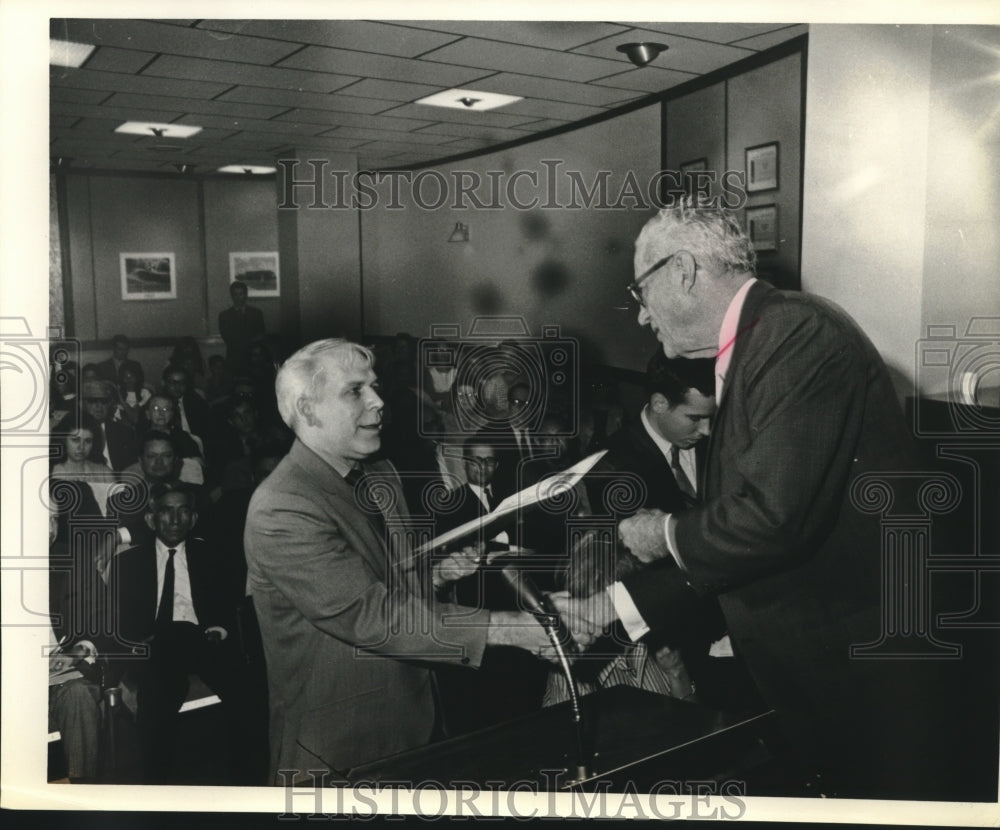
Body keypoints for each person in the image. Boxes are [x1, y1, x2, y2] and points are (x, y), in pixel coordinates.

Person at [552, 204, 949, 799]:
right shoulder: (762, 343)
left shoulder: (796, 334)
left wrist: (659, 533)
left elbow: (767, 522)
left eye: (640, 291)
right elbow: (736, 542)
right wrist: (611, 607)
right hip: (826, 665)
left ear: (683, 269)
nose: (640, 315)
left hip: (857, 670)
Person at [243, 338, 590, 784]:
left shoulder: (379, 473)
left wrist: (438, 574)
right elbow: (371, 615)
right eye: (356, 391)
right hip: (341, 750)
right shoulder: (282, 506)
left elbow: (392, 583)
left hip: (417, 721)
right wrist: (516, 628)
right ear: (309, 411)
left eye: (375, 386)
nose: (379, 401)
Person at [104, 482, 245, 783]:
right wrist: (134, 643)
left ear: (194, 519)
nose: (175, 519)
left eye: (184, 511)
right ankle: (159, 785)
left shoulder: (213, 554)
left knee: (245, 691)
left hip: (205, 639)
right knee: (156, 700)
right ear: (151, 519)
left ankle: (245, 781)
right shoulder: (126, 564)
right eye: (166, 512)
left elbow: (228, 606)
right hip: (155, 644)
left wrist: (220, 629)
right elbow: (120, 620)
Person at [81, 379, 139, 472]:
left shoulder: (125, 432)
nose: (99, 406)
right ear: (82, 404)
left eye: (104, 401)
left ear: (110, 404)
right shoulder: (74, 432)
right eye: (92, 400)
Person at [218, 281, 265, 376]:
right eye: (235, 294)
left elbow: (261, 334)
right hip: (234, 359)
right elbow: (227, 337)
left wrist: (242, 339)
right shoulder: (224, 316)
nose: (238, 297)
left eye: (241, 294)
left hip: (253, 359)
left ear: (246, 295)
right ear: (231, 296)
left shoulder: (256, 313)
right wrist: (250, 339)